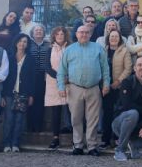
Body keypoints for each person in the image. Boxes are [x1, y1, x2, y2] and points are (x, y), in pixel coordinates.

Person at [57, 25, 110, 156]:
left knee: (93, 118)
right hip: (75, 88)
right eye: (81, 32)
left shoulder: (98, 48)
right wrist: (61, 87)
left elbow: (105, 69)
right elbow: (61, 71)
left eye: (86, 32)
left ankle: (92, 146)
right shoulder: (69, 50)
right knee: (75, 118)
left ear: (90, 34)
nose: (84, 35)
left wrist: (106, 84)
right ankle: (78, 145)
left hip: (94, 88)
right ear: (76, 34)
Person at [1, 33, 36, 153]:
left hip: (23, 94)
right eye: (20, 41)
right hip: (9, 93)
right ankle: (6, 143)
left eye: (25, 42)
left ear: (27, 44)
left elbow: (33, 78)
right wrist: (2, 96)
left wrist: (31, 95)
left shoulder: (31, 59)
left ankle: (15, 144)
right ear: (16, 42)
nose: (22, 43)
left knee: (19, 120)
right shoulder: (9, 57)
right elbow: (4, 77)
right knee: (9, 119)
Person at [100, 29, 132, 149]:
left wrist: (118, 81)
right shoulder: (102, 51)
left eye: (116, 36)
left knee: (118, 114)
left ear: (120, 38)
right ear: (108, 38)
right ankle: (105, 139)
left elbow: (128, 68)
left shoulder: (124, 51)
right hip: (105, 87)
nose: (113, 38)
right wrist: (105, 84)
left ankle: (117, 139)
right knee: (107, 113)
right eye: (112, 36)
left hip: (119, 88)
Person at [44, 26, 70, 149]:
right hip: (53, 83)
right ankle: (55, 138)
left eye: (62, 34)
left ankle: (75, 138)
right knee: (56, 112)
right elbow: (47, 67)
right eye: (57, 34)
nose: (60, 36)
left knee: (71, 110)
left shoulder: (70, 48)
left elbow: (74, 63)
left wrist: (67, 78)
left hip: (69, 81)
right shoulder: (49, 49)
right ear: (54, 36)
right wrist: (59, 77)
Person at [27, 24, 49, 133]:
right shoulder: (28, 44)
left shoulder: (48, 44)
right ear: (33, 32)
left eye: (41, 30)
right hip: (30, 76)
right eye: (36, 30)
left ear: (44, 33)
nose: (39, 31)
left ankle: (38, 125)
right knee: (30, 99)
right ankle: (29, 125)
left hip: (43, 76)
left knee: (40, 101)